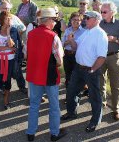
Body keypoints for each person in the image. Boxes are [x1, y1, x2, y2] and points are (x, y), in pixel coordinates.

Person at [61, 11, 108, 133]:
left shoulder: (100, 34)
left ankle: (95, 121)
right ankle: (71, 113)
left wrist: (93, 69)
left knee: (94, 97)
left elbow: (102, 57)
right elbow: (76, 47)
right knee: (71, 92)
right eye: (85, 18)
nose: (85, 20)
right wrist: (71, 40)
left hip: (91, 70)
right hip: (78, 68)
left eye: (87, 18)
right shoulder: (86, 31)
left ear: (96, 19)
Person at [25, 8, 66, 141]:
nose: (55, 22)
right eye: (54, 19)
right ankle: (54, 133)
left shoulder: (30, 34)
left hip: (34, 74)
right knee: (54, 106)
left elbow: (26, 54)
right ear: (48, 20)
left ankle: (31, 133)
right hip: (49, 75)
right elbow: (59, 59)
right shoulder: (53, 36)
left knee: (34, 105)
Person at [0, 1, 27, 93]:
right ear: (0, 8)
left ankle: (22, 87)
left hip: (13, 51)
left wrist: (15, 34)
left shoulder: (14, 18)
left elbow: (23, 28)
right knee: (0, 71)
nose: (7, 10)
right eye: (5, 8)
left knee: (16, 70)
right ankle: (2, 88)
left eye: (8, 8)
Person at [0, 11, 23, 111]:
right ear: (2, 20)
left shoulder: (13, 31)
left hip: (11, 60)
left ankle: (6, 100)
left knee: (8, 80)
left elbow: (14, 47)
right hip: (0, 60)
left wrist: (8, 34)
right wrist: (4, 48)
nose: (10, 20)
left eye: (10, 18)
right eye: (8, 18)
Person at [100, 1, 119, 121]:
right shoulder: (99, 23)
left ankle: (116, 109)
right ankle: (101, 103)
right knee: (100, 81)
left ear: (112, 12)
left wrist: (114, 39)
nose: (102, 13)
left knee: (115, 84)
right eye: (101, 11)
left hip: (114, 56)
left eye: (104, 11)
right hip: (100, 56)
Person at [62, 12, 85, 88]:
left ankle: (75, 95)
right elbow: (62, 44)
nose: (76, 21)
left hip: (77, 56)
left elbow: (80, 46)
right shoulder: (67, 30)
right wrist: (69, 41)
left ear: (81, 21)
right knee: (68, 75)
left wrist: (71, 41)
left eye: (78, 20)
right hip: (67, 55)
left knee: (77, 76)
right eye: (74, 19)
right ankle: (68, 95)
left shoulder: (84, 32)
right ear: (70, 20)